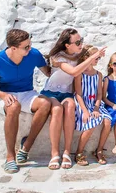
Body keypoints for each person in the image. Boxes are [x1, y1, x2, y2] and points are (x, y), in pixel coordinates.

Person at [0, 29, 53, 174]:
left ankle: (27, 145)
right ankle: (10, 157)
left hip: (27, 92)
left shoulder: (33, 54)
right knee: (14, 107)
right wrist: (3, 95)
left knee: (45, 104)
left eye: (30, 44)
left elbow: (48, 72)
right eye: (26, 46)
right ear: (13, 48)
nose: (30, 48)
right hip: (4, 94)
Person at [41, 28, 105, 169]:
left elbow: (90, 54)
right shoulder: (57, 57)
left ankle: (67, 152)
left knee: (70, 107)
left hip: (66, 93)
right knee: (57, 110)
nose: (80, 44)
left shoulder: (78, 54)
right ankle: (54, 153)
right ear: (67, 45)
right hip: (51, 92)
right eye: (77, 42)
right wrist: (90, 58)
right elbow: (74, 71)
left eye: (81, 40)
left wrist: (96, 55)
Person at [73, 45, 113, 166]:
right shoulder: (79, 73)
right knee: (90, 124)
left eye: (98, 58)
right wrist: (85, 111)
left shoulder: (98, 74)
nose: (97, 60)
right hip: (83, 104)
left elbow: (100, 94)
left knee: (107, 122)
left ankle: (99, 150)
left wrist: (96, 108)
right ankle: (79, 152)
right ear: (87, 57)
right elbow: (78, 94)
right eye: (96, 57)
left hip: (94, 104)